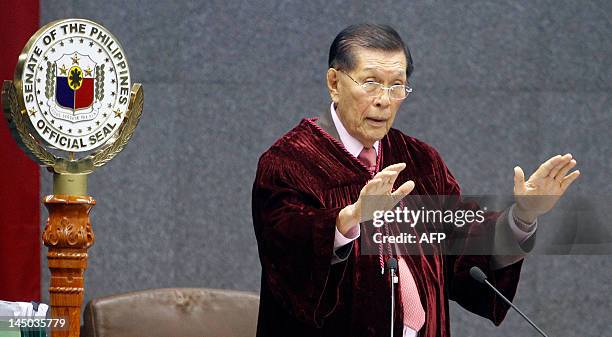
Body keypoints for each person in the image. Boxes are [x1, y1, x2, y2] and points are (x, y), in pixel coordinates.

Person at [251, 23, 580, 337]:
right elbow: (287, 256)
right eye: (371, 83)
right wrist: (348, 220)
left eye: (397, 85)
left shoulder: (420, 161)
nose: (384, 99)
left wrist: (524, 215)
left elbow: (463, 244)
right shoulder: (291, 162)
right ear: (334, 83)